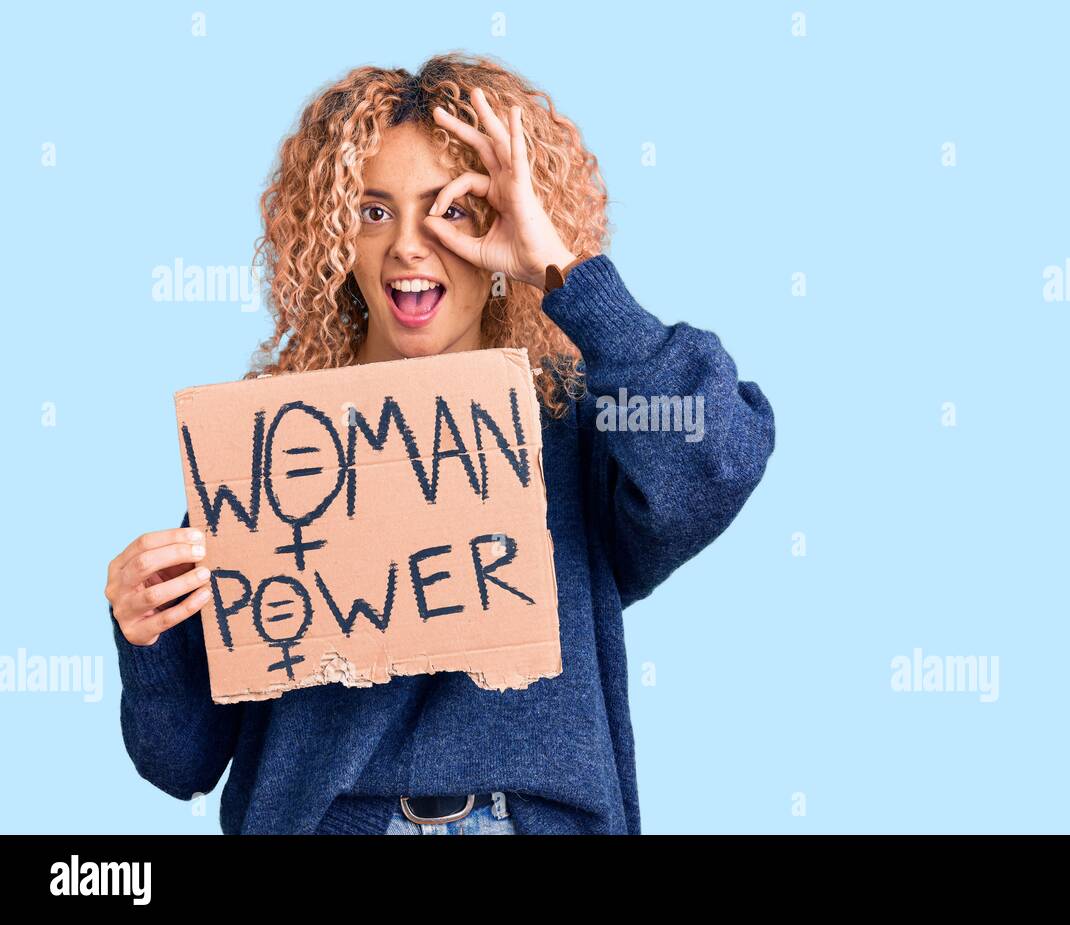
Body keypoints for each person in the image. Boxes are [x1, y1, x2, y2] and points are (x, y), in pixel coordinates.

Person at [103, 52, 775, 835]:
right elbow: (179, 761)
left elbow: (716, 454)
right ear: (334, 238)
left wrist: (559, 270)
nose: (410, 247)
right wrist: (145, 631)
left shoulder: (576, 431)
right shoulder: (272, 452)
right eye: (374, 210)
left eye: (451, 210)